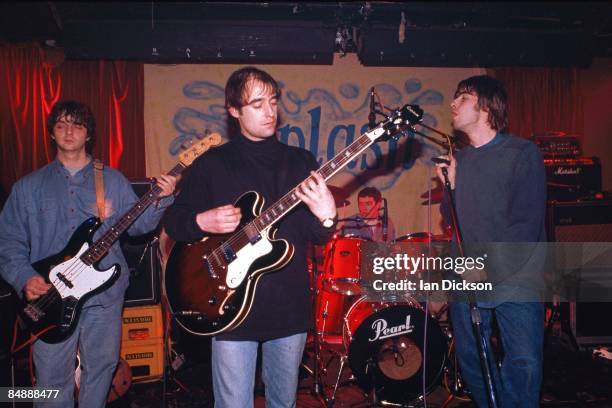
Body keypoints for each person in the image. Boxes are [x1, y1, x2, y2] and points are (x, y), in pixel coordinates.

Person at [162, 67, 337, 407]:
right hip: (226, 305)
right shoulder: (213, 163)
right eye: (257, 104)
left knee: (282, 404)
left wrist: (327, 215)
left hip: (288, 307)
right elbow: (174, 220)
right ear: (234, 111)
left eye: (273, 101)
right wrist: (203, 220)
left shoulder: (299, 162)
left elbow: (315, 234)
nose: (269, 111)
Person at [0, 100, 176, 407]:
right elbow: (8, 240)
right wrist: (24, 277)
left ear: (88, 135)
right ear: (51, 134)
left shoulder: (112, 180)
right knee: (51, 381)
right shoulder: (27, 188)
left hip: (103, 298)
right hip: (50, 298)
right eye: (61, 125)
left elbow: (137, 228)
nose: (69, 131)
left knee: (101, 370)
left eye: (77, 125)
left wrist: (162, 199)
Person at [435, 75, 546, 407]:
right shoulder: (461, 159)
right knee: (472, 359)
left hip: (516, 277)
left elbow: (525, 224)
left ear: (485, 106)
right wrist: (451, 183)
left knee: (524, 361)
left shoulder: (521, 152)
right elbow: (450, 214)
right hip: (468, 275)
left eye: (462, 98)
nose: (453, 104)